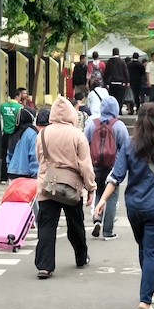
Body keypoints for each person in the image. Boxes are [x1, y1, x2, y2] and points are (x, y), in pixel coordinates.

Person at [95, 102, 154, 309]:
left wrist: (102, 200)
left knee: (144, 248)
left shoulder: (129, 145)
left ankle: (150, 290)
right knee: (151, 252)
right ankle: (145, 303)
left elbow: (116, 177)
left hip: (134, 208)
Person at [34, 97, 96, 278]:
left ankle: (44, 266)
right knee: (76, 225)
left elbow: (39, 159)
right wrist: (91, 188)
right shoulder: (77, 135)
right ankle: (81, 257)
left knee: (46, 226)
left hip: (47, 186)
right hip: (72, 187)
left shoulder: (43, 134)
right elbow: (85, 166)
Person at [86, 96, 130, 241]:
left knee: (99, 192)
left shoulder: (92, 124)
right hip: (113, 167)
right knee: (111, 198)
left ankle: (97, 219)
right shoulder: (119, 126)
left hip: (96, 166)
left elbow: (84, 143)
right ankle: (108, 231)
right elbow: (126, 147)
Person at [0, 87, 26, 183]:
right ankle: (13, 176)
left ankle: (3, 177)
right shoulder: (20, 108)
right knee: (15, 156)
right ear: (17, 96)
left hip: (5, 134)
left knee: (4, 156)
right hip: (15, 135)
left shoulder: (3, 106)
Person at [6, 108, 39, 179]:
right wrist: (36, 176)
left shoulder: (14, 133)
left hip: (12, 173)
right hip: (26, 174)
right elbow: (34, 156)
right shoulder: (32, 134)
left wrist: (10, 168)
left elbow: (9, 154)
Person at [104, 48, 130, 113]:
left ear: (112, 53)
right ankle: (119, 110)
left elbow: (106, 72)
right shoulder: (122, 62)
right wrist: (127, 81)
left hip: (112, 83)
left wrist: (106, 82)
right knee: (120, 98)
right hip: (121, 83)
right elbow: (125, 72)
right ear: (118, 53)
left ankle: (113, 110)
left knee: (113, 98)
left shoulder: (109, 61)